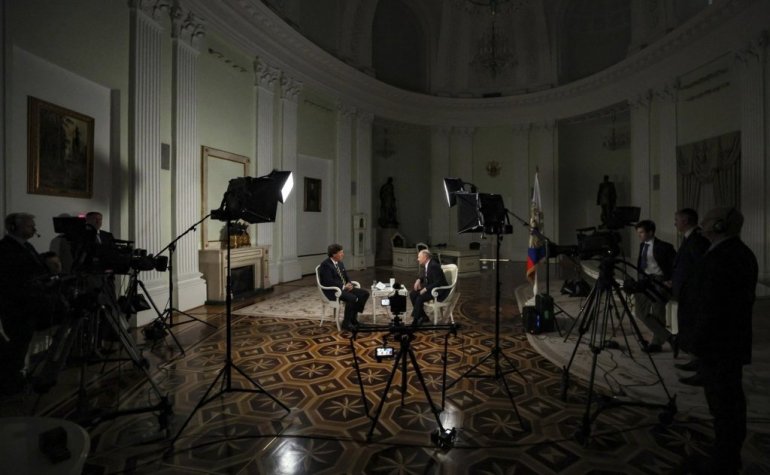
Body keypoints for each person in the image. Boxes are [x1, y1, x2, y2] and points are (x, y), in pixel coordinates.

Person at [688, 207, 757, 474]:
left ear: (718, 226)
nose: (702, 223)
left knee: (724, 405)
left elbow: (712, 307)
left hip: (719, 345)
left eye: (706, 220)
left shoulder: (723, 257)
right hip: (729, 343)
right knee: (727, 402)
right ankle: (727, 456)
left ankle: (724, 463)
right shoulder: (737, 253)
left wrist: (696, 343)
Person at [0, 213, 53, 394]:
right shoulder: (5, 248)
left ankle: (16, 378)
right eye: (30, 226)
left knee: (22, 343)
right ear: (14, 227)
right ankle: (10, 383)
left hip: (29, 304)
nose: (34, 229)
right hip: (16, 306)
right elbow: (15, 276)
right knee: (18, 344)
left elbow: (36, 267)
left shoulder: (26, 246)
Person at [669, 208, 709, 384]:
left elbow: (700, 268)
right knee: (689, 327)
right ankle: (696, 361)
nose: (675, 223)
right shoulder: (690, 238)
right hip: (686, 292)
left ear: (685, 221)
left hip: (693, 294)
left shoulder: (697, 240)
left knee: (694, 329)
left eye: (677, 219)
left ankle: (702, 368)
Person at [633, 219, 676, 353]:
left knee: (658, 312)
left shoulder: (665, 247)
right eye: (638, 232)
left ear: (651, 232)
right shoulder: (642, 245)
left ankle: (657, 343)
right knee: (640, 312)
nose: (639, 235)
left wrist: (671, 281)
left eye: (641, 232)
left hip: (660, 281)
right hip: (645, 281)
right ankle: (670, 337)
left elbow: (675, 265)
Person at [318, 244, 369, 331]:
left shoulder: (340, 262)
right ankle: (346, 323)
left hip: (343, 288)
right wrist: (343, 286)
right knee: (352, 298)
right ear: (334, 254)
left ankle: (353, 319)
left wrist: (349, 284)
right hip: (333, 290)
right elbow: (328, 281)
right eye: (341, 253)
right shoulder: (325, 265)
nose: (343, 254)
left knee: (364, 294)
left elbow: (345, 276)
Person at [409, 249, 448, 326]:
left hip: (439, 291)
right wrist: (419, 280)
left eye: (419, 257)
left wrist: (426, 289)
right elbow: (425, 275)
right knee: (412, 294)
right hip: (431, 288)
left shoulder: (434, 266)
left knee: (419, 297)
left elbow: (438, 282)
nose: (418, 259)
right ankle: (423, 317)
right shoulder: (428, 264)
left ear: (425, 257)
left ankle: (415, 320)